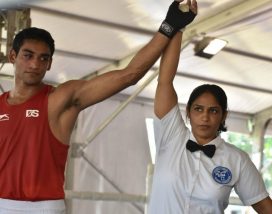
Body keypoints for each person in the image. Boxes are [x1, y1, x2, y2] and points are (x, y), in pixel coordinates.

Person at [0, 1, 196, 213]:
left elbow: (129, 75)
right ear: (13, 57)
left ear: (49, 64)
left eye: (43, 58)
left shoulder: (60, 99)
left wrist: (169, 26)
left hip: (44, 207)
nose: (35, 64)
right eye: (28, 55)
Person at [148, 5, 272, 213]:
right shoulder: (171, 136)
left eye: (213, 111)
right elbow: (165, 81)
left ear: (223, 116)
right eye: (198, 109)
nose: (204, 117)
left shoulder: (236, 159)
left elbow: (266, 207)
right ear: (188, 113)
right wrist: (177, 27)